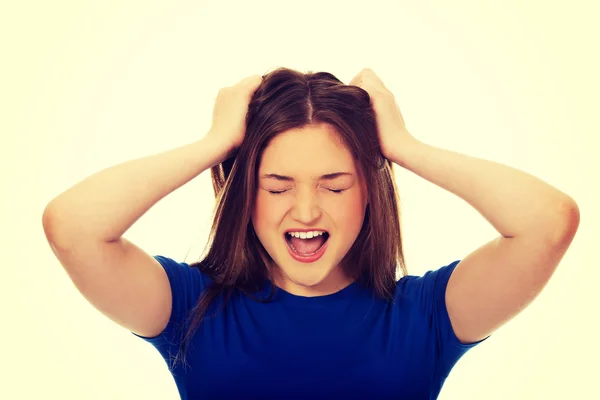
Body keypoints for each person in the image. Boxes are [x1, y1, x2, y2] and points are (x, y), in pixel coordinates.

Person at [42, 67, 578, 399]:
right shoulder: (191, 308)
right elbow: (72, 228)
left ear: (369, 190)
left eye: (334, 185)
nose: (305, 210)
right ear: (245, 193)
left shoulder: (426, 316)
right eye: (276, 187)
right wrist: (216, 144)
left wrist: (403, 146)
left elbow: (547, 223)